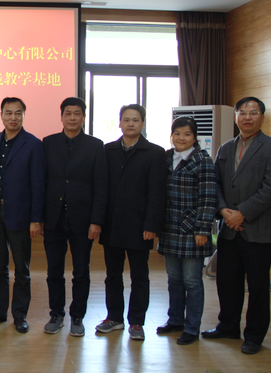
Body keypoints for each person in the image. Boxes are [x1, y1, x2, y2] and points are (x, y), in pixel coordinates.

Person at [201, 97, 271, 355]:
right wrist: (223, 211)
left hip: (257, 230)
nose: (247, 117)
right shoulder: (226, 148)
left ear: (262, 117)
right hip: (228, 229)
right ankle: (228, 326)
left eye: (253, 112)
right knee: (227, 283)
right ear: (236, 116)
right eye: (242, 112)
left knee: (258, 287)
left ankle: (254, 336)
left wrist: (242, 214)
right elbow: (215, 183)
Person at [96, 104, 167, 341]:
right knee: (112, 275)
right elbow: (101, 189)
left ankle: (137, 321)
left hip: (140, 226)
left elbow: (157, 193)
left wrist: (151, 225)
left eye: (135, 120)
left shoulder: (155, 153)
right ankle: (114, 317)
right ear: (119, 123)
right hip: (112, 224)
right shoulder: (108, 150)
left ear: (143, 124)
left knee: (139, 277)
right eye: (126, 119)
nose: (130, 124)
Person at [42, 97, 107, 337]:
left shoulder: (95, 146)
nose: (72, 118)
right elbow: (41, 182)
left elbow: (101, 186)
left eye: (76, 113)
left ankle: (77, 316)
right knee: (54, 271)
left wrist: (96, 221)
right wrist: (39, 217)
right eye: (67, 113)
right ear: (61, 117)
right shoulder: (48, 143)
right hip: (53, 218)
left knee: (81, 272)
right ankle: (56, 314)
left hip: (83, 220)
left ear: (83, 117)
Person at [0, 97, 46, 333]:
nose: (13, 117)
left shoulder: (33, 144)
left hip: (21, 214)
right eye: (8, 113)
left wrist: (36, 219)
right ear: (1, 115)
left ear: (24, 116)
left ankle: (20, 315)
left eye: (18, 113)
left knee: (22, 269)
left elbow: (38, 184)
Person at [157, 117, 217, 345]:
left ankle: (192, 327)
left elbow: (208, 198)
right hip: (169, 228)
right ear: (171, 135)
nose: (181, 138)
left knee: (192, 281)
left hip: (193, 230)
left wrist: (202, 229)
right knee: (174, 279)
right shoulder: (166, 157)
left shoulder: (203, 160)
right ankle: (175, 320)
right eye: (177, 133)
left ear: (194, 137)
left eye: (187, 134)